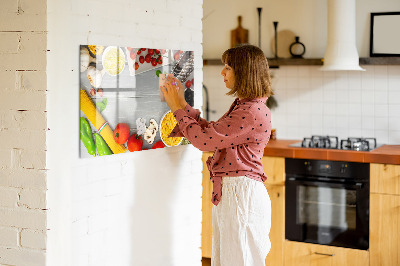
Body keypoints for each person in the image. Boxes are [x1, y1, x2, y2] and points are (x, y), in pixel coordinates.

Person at [161, 44, 273, 266]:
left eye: (228, 67)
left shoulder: (250, 111)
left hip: (241, 196)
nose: (222, 72)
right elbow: (212, 133)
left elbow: (204, 141)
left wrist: (176, 108)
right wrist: (182, 104)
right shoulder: (246, 106)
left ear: (244, 72)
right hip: (236, 194)